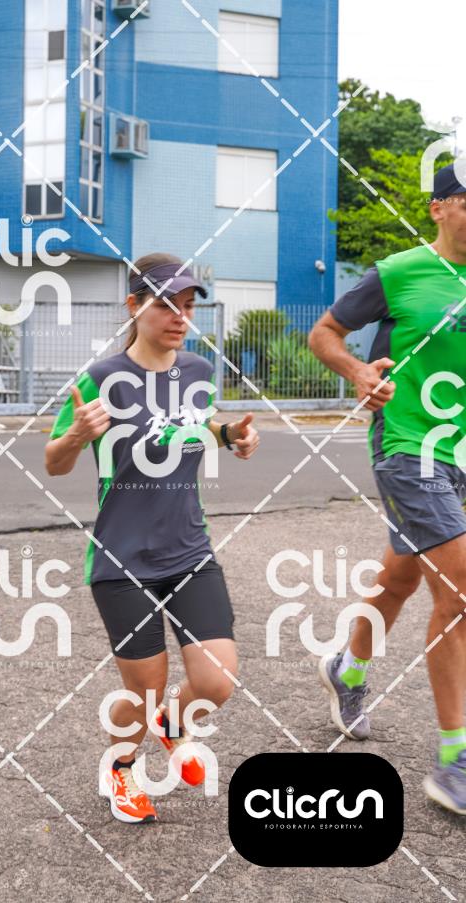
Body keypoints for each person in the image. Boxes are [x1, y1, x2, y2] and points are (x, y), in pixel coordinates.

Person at [45, 252, 259, 823]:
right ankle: (119, 767)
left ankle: (172, 723)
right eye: (166, 304)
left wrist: (228, 435)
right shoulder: (101, 379)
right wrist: (76, 437)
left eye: (188, 306)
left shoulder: (198, 372)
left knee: (216, 679)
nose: (180, 317)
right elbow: (54, 462)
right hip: (122, 561)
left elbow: (189, 427)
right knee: (142, 693)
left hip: (189, 550)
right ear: (134, 306)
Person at [309, 162, 466, 814]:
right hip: (407, 445)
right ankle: (456, 761)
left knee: (400, 580)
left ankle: (346, 667)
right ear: (439, 207)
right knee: (459, 590)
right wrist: (357, 372)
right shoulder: (399, 272)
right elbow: (324, 333)